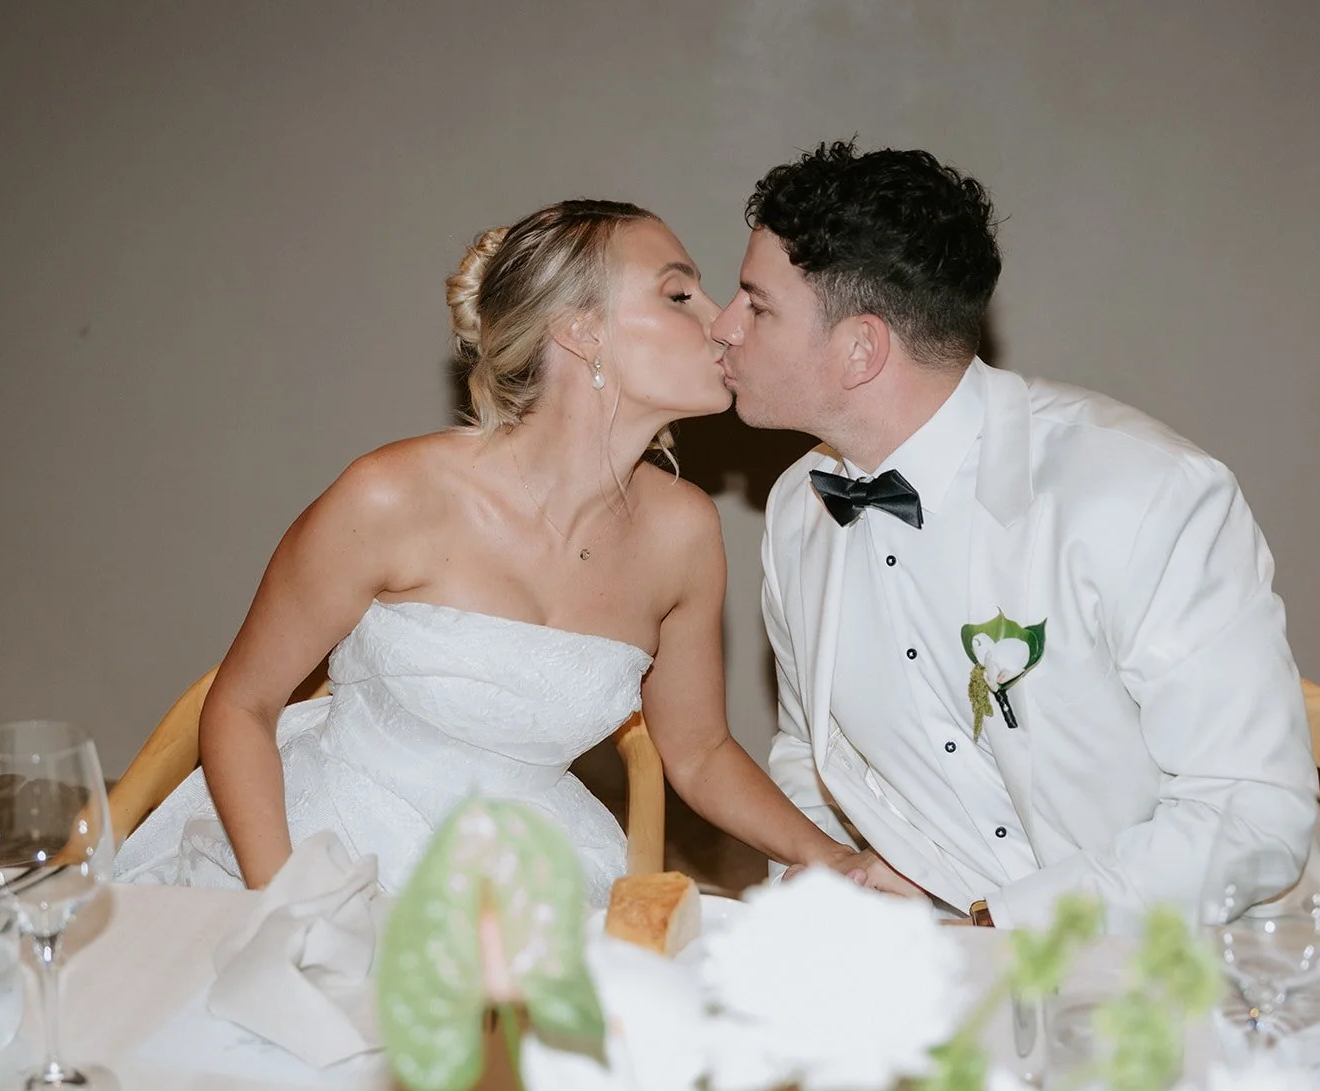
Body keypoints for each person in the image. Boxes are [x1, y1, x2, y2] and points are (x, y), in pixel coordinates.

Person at [114, 199, 905, 903]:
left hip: (527, 884)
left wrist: (833, 855)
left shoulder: (684, 531)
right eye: (678, 294)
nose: (724, 319)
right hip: (320, 854)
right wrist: (288, 910)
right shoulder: (392, 495)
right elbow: (242, 705)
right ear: (580, 329)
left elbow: (696, 751)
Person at [711, 143, 1320, 936]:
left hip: (1218, 955)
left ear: (861, 348)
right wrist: (837, 883)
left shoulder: (1141, 494)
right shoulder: (801, 507)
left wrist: (994, 928)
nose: (723, 327)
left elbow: (1250, 815)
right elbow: (810, 749)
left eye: (756, 305)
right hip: (943, 955)